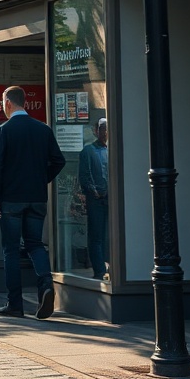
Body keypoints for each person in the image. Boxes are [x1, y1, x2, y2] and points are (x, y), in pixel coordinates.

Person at [0, 85, 65, 320]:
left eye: (3, 102)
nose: (2, 106)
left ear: (8, 103)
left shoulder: (3, 131)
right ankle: (46, 285)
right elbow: (58, 161)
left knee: (11, 250)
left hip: (11, 199)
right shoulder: (43, 130)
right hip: (37, 198)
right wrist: (42, 179)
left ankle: (15, 304)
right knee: (35, 244)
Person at [79, 117, 109, 280]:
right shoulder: (88, 151)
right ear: (96, 131)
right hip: (96, 199)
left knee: (109, 234)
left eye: (106, 128)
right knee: (96, 234)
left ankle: (109, 267)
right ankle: (99, 270)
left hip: (111, 198)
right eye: (102, 128)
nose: (105, 132)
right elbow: (84, 175)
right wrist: (94, 191)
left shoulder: (112, 150)